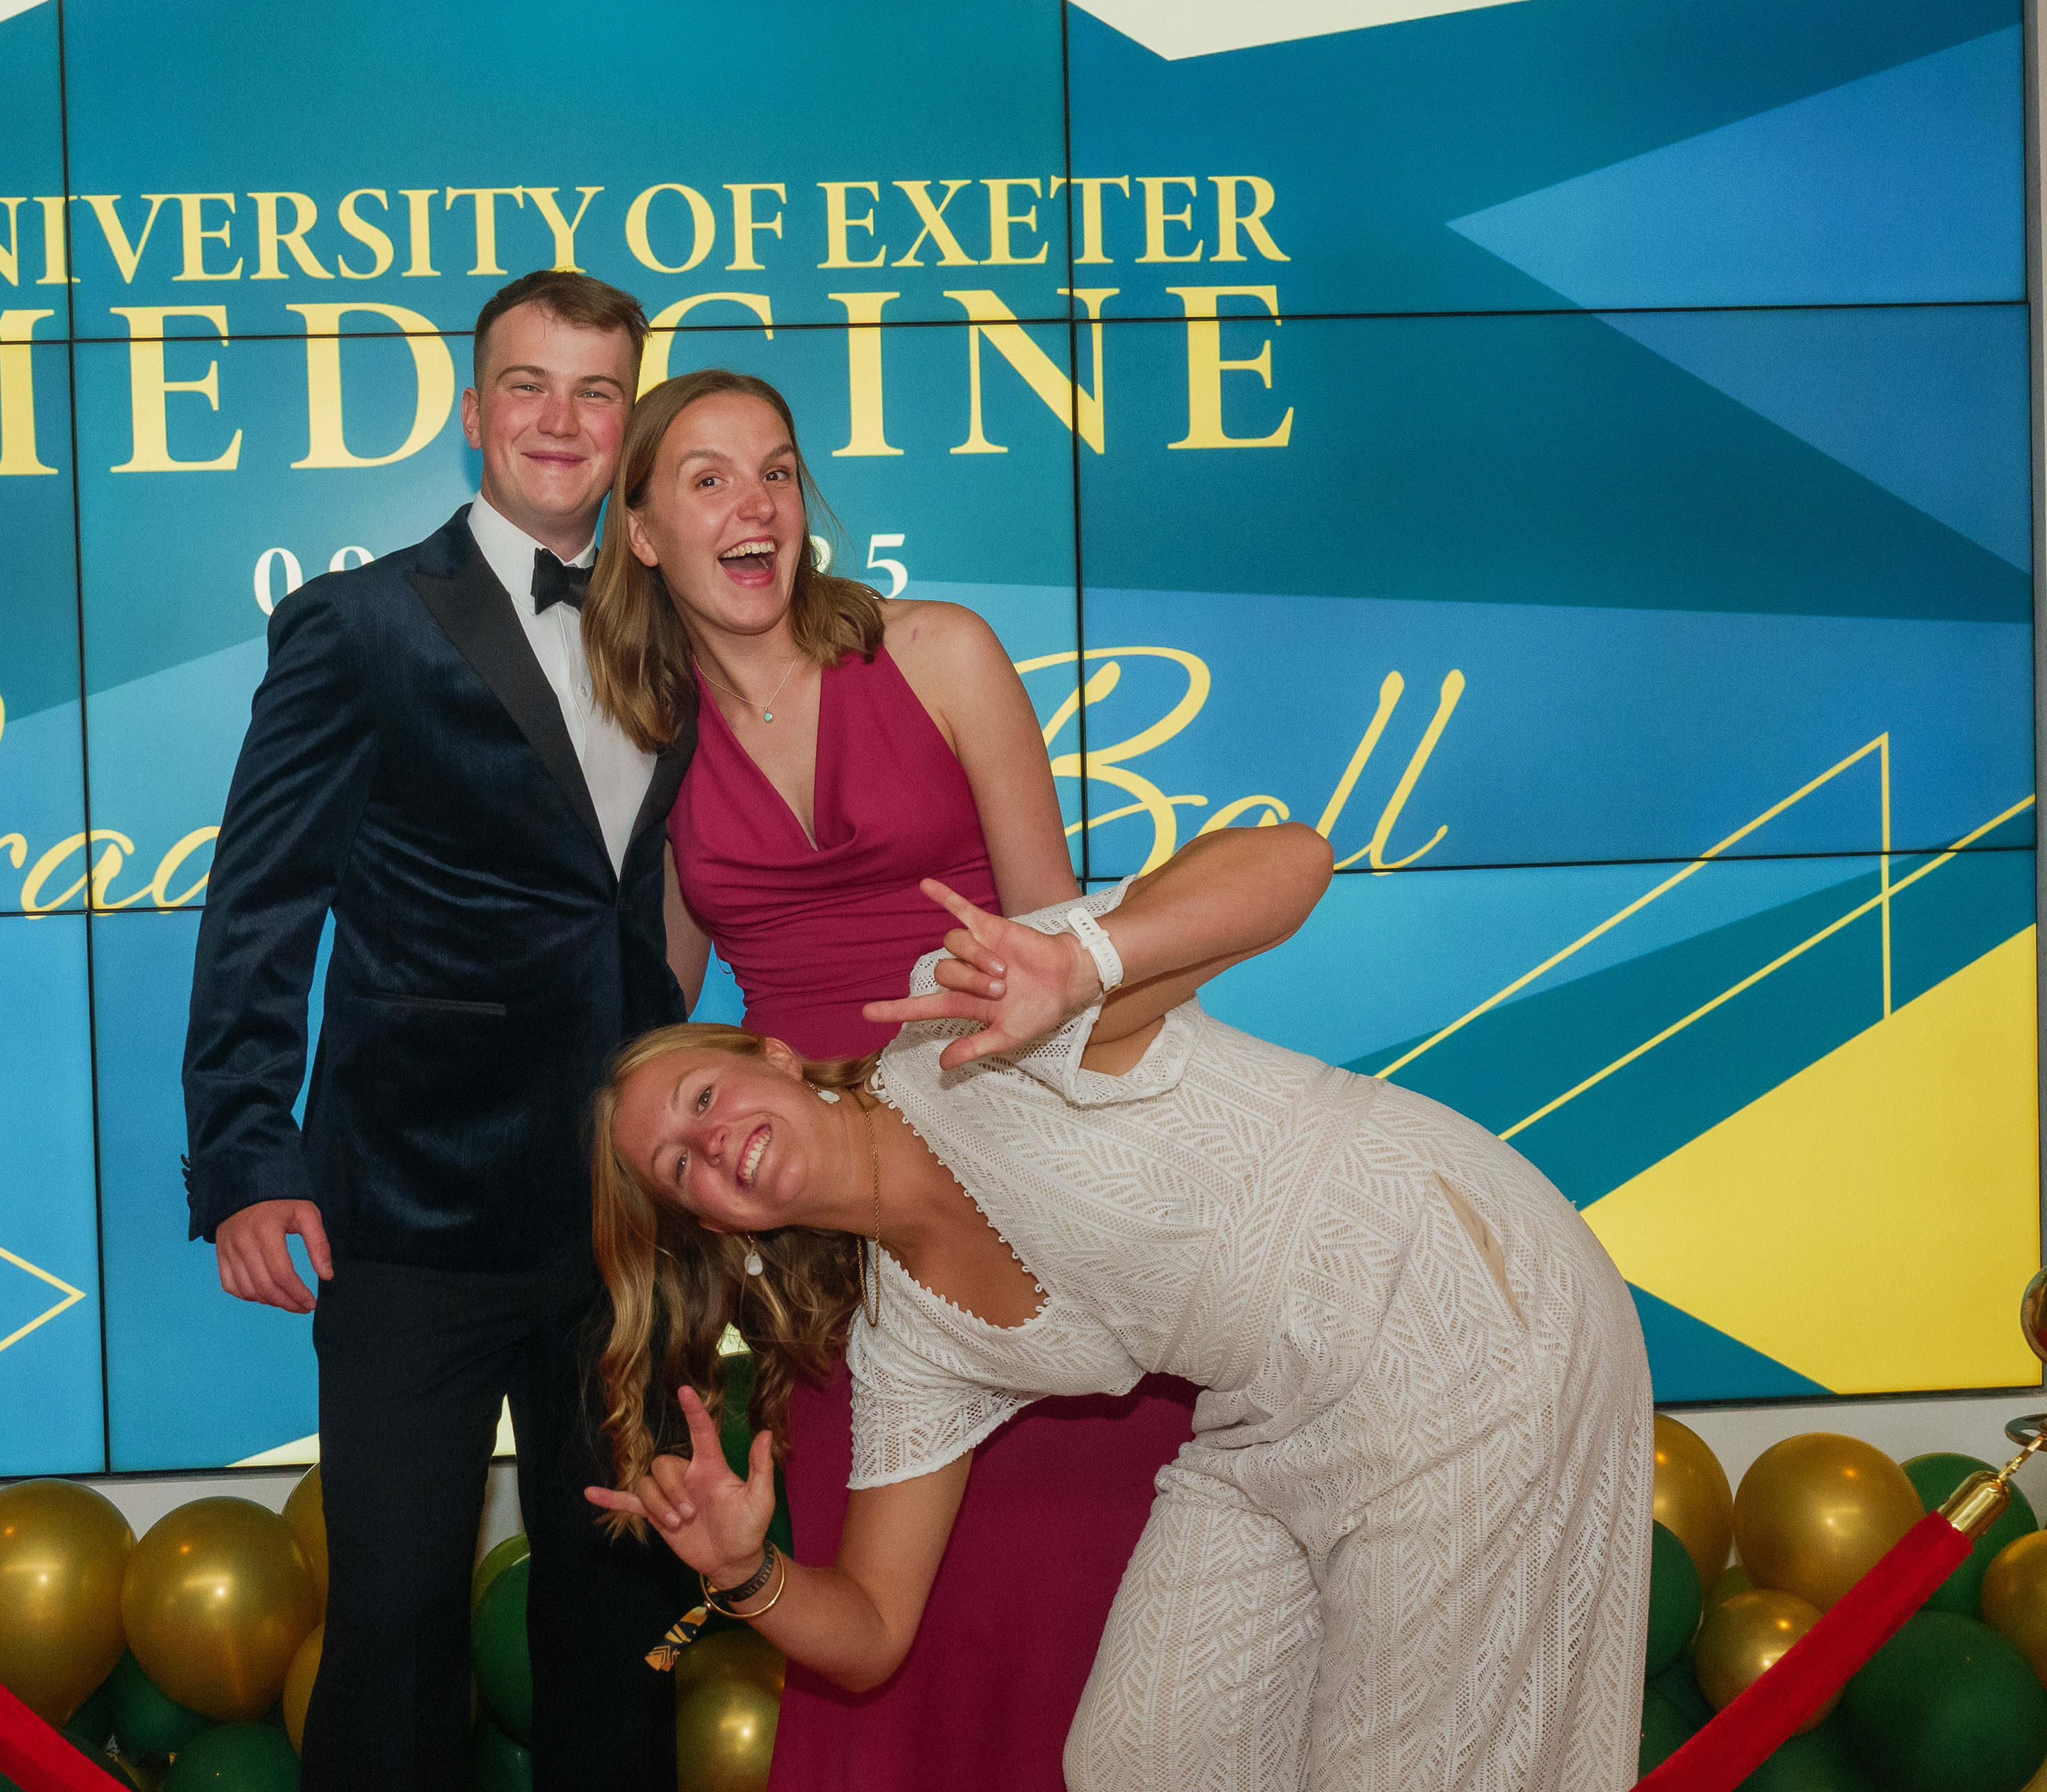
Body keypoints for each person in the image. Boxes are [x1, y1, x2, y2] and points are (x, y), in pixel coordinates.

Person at [585, 867, 1655, 1792]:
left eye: (702, 1096)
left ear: (774, 1056)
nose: (710, 1144)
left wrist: (1082, 962)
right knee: (1140, 1757)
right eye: (679, 1166)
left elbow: (1291, 864)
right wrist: (744, 1571)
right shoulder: (913, 1338)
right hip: (1279, 1415)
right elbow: (870, 1627)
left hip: (1453, 1309)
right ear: (715, 1224)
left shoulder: (970, 1030)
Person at [579, 367, 1207, 1788]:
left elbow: (1058, 938)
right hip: (825, 1233)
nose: (757, 504)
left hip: (1019, 1180)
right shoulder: (647, 747)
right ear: (643, 534)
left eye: (777, 469)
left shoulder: (939, 652)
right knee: (904, 1626)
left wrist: (1081, 1178)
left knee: (1094, 1576)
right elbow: (652, 1006)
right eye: (708, 479)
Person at [181, 269, 692, 1792]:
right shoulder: (360, 624)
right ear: (474, 413)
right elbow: (262, 903)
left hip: (625, 1215)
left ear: (628, 425)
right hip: (410, 1207)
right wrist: (246, 1158)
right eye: (529, 385)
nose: (562, 419)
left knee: (620, 1612)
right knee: (397, 1624)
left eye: (597, 392)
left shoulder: (677, 626)